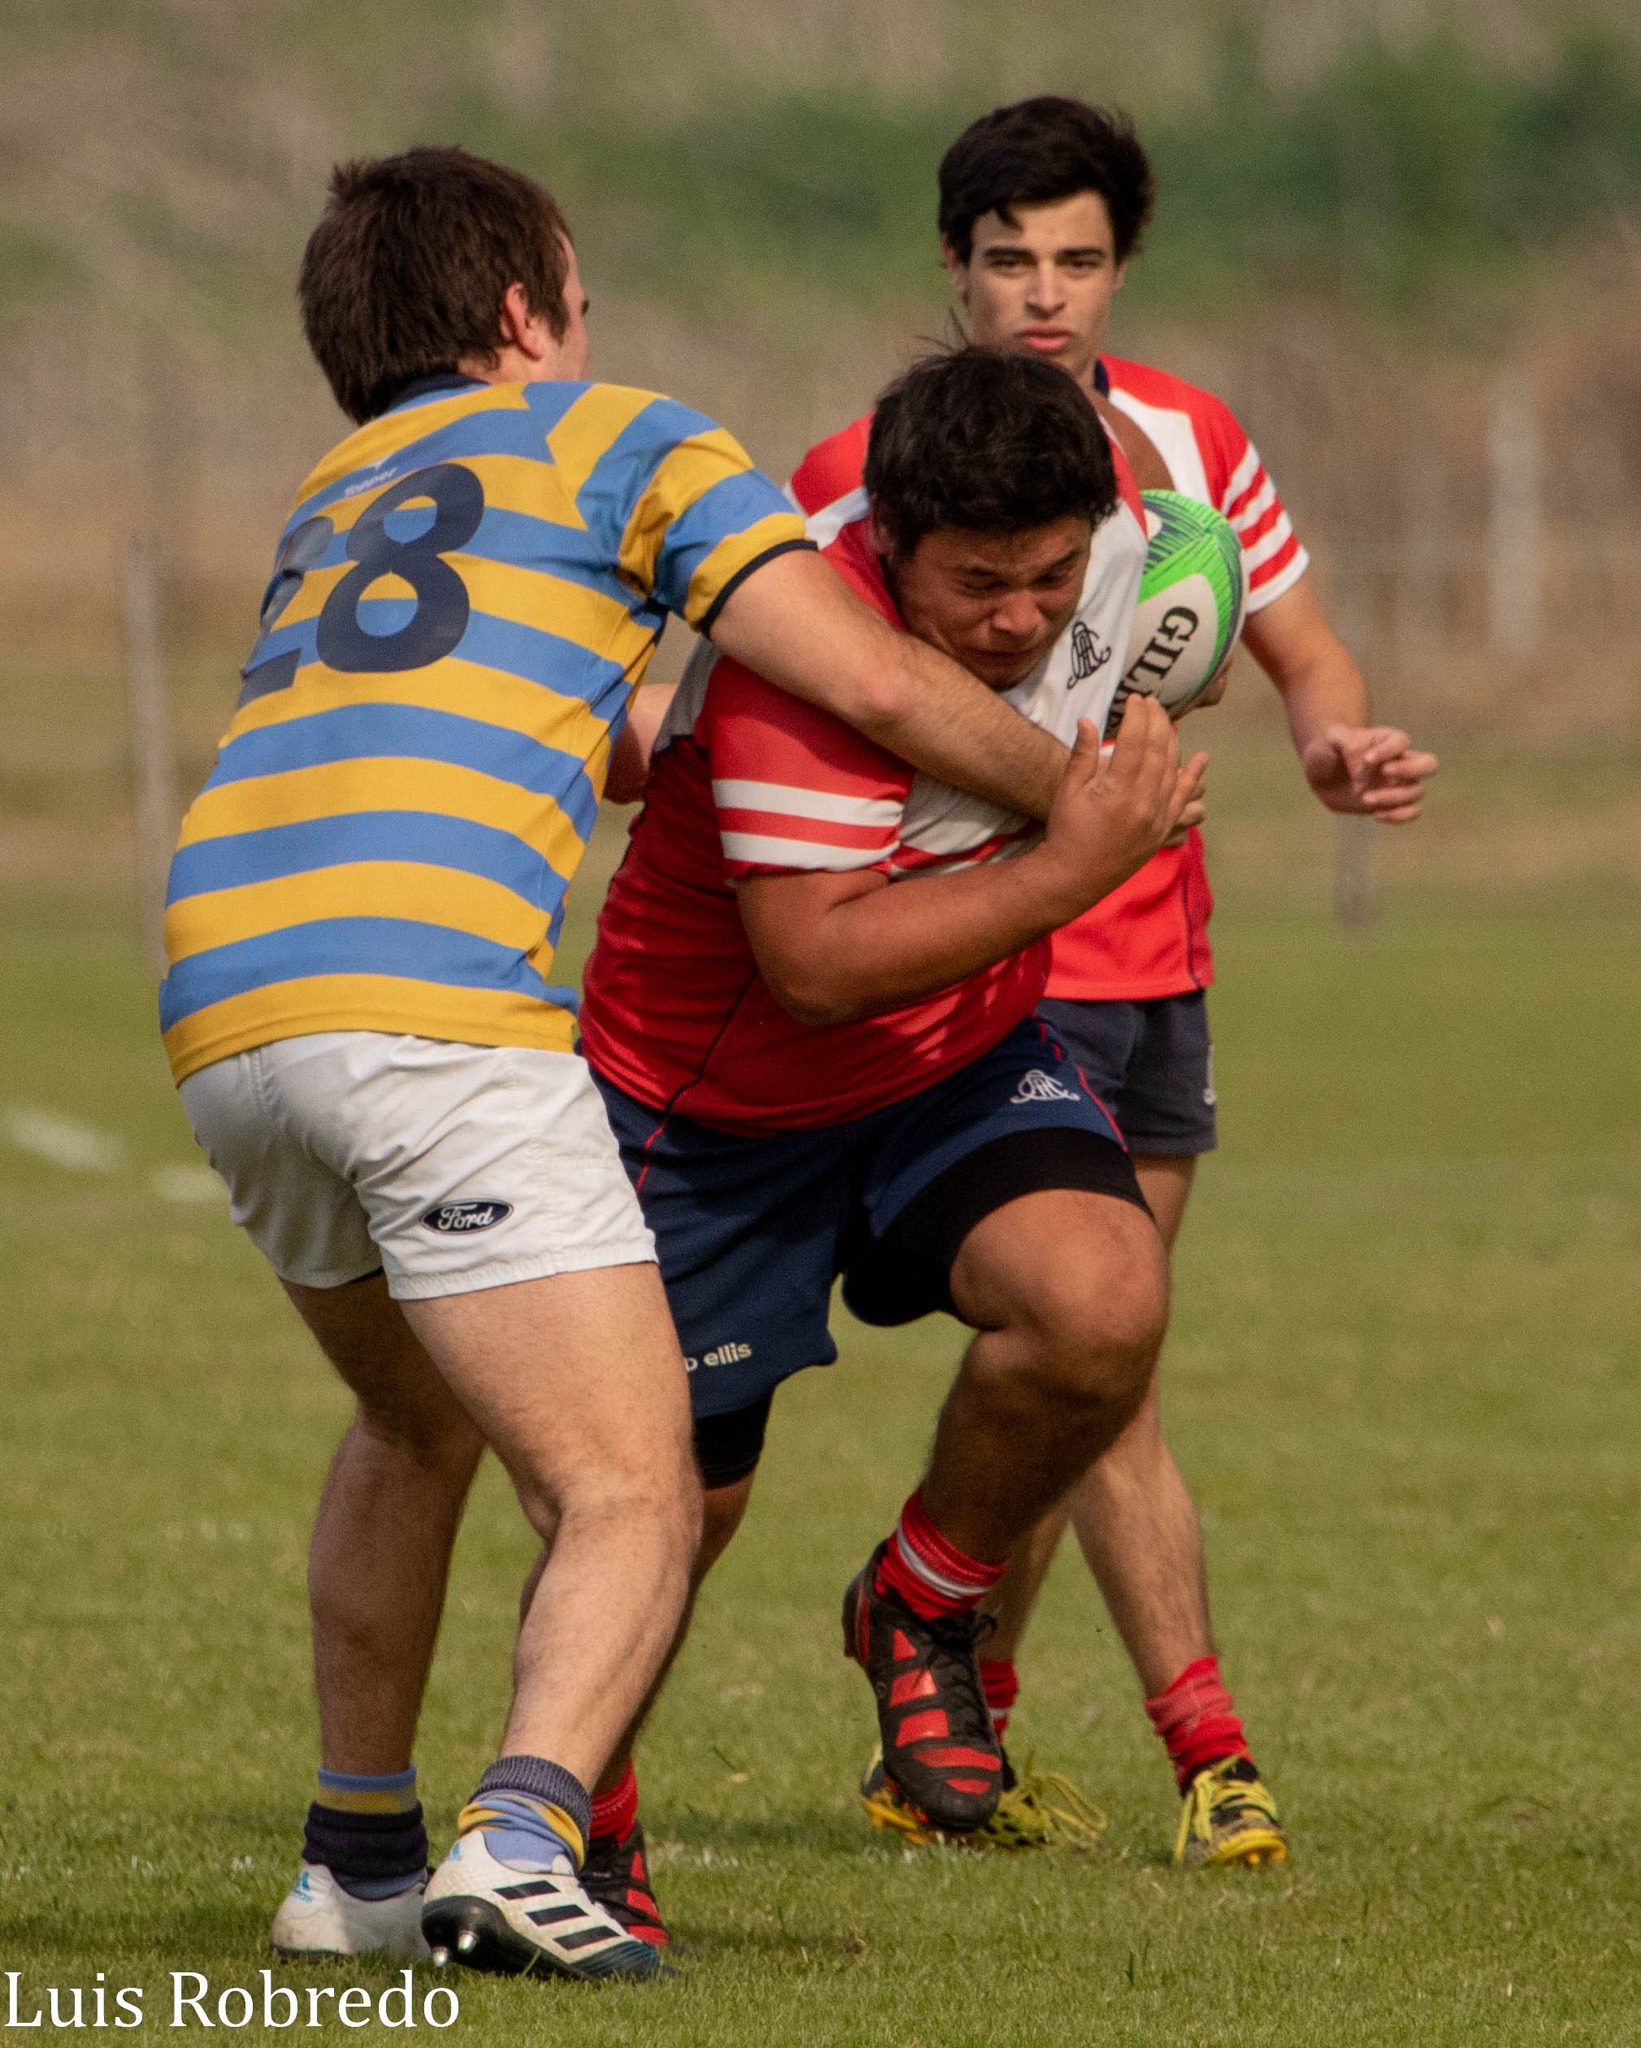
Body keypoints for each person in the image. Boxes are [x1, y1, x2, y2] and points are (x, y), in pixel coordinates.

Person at [160, 148, 1154, 1986]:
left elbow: (555, 701)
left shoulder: (342, 486)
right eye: (580, 302)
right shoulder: (618, 436)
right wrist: (1084, 817)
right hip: (430, 994)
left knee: (409, 1419)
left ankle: (353, 1864)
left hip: (223, 982)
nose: (590, 330)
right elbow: (854, 673)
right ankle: (527, 1841)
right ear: (525, 314)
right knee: (632, 1492)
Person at [788, 97, 1439, 1868]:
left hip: (1153, 965)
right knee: (1101, 1358)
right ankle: (1205, 1749)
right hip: (973, 974)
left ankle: (947, 1742)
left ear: (1119, 266)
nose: (1043, 295)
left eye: (1076, 260)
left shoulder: (1187, 438)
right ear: (955, 266)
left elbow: (1294, 646)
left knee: (1088, 1374)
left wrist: (1335, 739)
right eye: (1010, 260)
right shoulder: (866, 468)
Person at [566, 345, 1206, 1948]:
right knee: (661, 1512)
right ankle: (585, 1821)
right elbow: (819, 964)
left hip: (954, 1058)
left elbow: (1174, 594)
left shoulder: (1114, 541)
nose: (1021, 617)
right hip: (708, 1111)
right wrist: (1077, 861)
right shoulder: (804, 664)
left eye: (1050, 576)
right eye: (978, 586)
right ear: (888, 544)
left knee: (1101, 1302)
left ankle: (922, 1594)